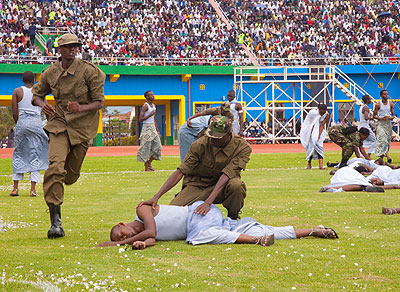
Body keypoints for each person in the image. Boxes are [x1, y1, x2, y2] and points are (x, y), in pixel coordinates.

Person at [32, 33, 106, 239]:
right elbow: (37, 95)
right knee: (55, 167)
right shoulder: (50, 73)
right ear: (60, 50)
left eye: (75, 46)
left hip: (82, 128)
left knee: (70, 176)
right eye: (68, 47)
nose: (73, 50)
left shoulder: (90, 72)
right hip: (58, 124)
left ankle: (61, 183)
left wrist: (80, 107)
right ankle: (56, 222)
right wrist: (43, 104)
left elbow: (100, 102)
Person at [138, 115, 251, 220]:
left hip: (223, 186)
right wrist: (156, 196)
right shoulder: (200, 144)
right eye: (211, 135)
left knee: (236, 185)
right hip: (197, 185)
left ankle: (233, 218)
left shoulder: (242, 147)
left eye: (217, 137)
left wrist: (208, 202)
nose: (212, 139)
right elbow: (181, 171)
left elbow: (227, 174)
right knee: (172, 215)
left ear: (228, 134)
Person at [97, 201, 338, 248]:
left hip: (199, 215)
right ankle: (314, 230)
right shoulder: (143, 236)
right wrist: (141, 245)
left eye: (120, 234)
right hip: (208, 223)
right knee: (261, 228)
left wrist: (112, 245)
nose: (122, 238)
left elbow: (151, 231)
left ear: (122, 224)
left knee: (198, 239)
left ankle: (255, 241)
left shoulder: (142, 210)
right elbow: (151, 238)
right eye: (121, 239)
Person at [10, 71, 49, 197]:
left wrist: (19, 124)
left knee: (19, 153)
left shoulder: (17, 91)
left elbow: (15, 113)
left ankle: (15, 188)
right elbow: (47, 110)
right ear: (34, 80)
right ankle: (33, 190)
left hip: (22, 122)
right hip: (36, 123)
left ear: (22, 79)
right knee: (36, 154)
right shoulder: (40, 93)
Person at [136, 90, 162, 171]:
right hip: (146, 127)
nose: (153, 96)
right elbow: (140, 119)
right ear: (147, 97)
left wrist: (157, 131)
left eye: (153, 94)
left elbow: (153, 119)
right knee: (146, 147)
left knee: (158, 147)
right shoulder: (145, 106)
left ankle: (149, 162)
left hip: (153, 128)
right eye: (151, 95)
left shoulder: (154, 106)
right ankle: (146, 166)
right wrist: (150, 114)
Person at [300, 104, 329, 169]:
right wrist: (313, 134)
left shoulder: (326, 114)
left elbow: (322, 125)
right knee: (310, 147)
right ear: (319, 110)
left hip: (319, 131)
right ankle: (309, 164)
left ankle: (321, 165)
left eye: (323, 112)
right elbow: (309, 123)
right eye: (321, 113)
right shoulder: (312, 113)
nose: (322, 114)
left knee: (319, 146)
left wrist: (318, 135)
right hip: (310, 132)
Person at [319, 166, 384, 193]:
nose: (375, 182)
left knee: (359, 186)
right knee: (360, 185)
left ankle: (329, 188)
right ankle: (329, 188)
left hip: (345, 176)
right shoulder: (363, 176)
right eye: (376, 180)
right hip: (348, 173)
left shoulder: (363, 179)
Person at [373, 89, 394, 163]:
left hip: (388, 124)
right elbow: (374, 115)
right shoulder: (378, 104)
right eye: (384, 94)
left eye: (387, 94)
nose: (386, 96)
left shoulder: (391, 104)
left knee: (387, 141)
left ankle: (381, 158)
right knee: (382, 140)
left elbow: (393, 115)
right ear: (381, 95)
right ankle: (388, 156)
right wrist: (381, 118)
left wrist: (390, 117)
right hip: (381, 124)